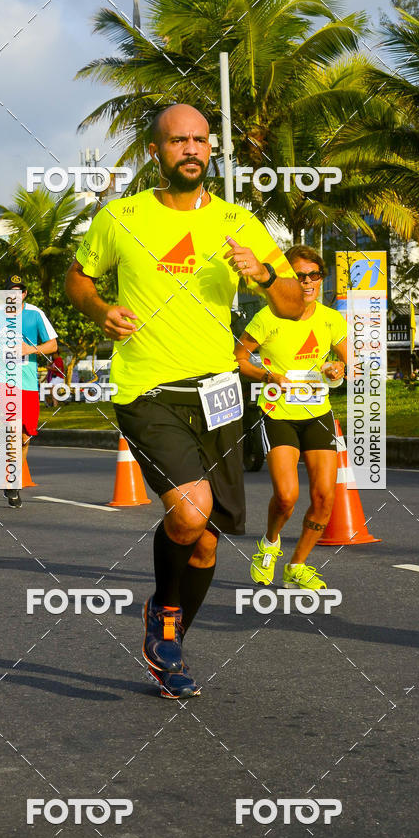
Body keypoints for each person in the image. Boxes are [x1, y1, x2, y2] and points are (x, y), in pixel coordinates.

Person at [66, 103, 304, 698]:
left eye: (201, 140)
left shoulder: (239, 222)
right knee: (191, 511)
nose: (192, 149)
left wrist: (266, 277)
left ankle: (168, 634)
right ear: (156, 152)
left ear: (212, 148)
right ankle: (166, 622)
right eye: (178, 142)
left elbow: (295, 305)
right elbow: (79, 279)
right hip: (147, 389)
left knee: (204, 542)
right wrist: (100, 310)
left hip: (218, 393)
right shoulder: (119, 218)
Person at [235, 244, 347, 590]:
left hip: (318, 414)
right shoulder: (267, 318)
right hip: (278, 413)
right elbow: (237, 359)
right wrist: (268, 376)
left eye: (315, 274)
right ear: (289, 279)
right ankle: (269, 545)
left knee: (324, 497)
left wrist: (336, 367)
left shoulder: (331, 319)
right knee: (286, 496)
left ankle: (297, 565)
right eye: (300, 275)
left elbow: (348, 363)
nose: (309, 281)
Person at [0, 276, 58, 508]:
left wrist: (30, 348)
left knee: (24, 435)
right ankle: (12, 482)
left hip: (29, 383)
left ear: (24, 294)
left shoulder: (35, 314)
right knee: (9, 430)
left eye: (18, 291)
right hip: (3, 381)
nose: (14, 295)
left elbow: (52, 345)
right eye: (10, 291)